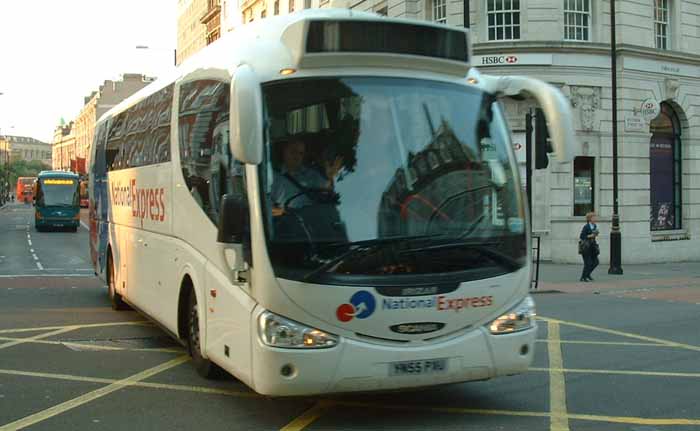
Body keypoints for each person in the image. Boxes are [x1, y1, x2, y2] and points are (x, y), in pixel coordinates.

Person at [270, 138, 342, 216]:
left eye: (300, 153)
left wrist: (330, 177)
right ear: (284, 151)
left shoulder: (310, 175)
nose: (297, 156)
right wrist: (276, 211)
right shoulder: (273, 175)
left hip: (308, 221)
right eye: (293, 151)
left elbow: (327, 191)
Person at [579, 212, 600, 282]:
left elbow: (594, 235)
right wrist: (590, 236)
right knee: (587, 263)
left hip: (592, 247)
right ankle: (583, 277)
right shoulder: (586, 227)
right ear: (590, 219)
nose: (595, 219)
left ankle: (587, 274)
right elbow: (582, 236)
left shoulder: (594, 226)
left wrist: (595, 234)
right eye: (594, 217)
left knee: (596, 262)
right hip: (586, 247)